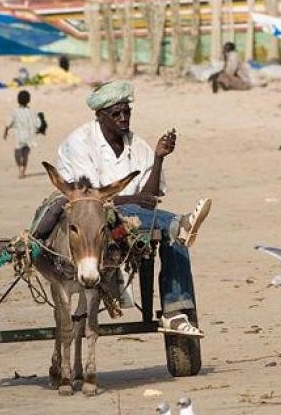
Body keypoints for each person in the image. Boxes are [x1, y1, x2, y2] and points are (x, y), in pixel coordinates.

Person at [45, 81, 212, 337]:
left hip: (129, 220)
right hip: (89, 219)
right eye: (116, 114)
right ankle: (180, 223)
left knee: (175, 236)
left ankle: (175, 312)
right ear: (100, 116)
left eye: (127, 112)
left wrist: (158, 158)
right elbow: (90, 199)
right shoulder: (80, 142)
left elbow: (152, 195)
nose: (123, 118)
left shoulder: (137, 144)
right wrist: (132, 200)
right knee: (172, 226)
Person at [4, 90, 43, 179]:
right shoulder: (32, 112)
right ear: (29, 100)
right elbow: (38, 123)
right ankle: (23, 170)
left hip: (19, 136)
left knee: (17, 153)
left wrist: (5, 132)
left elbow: (9, 123)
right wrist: (37, 130)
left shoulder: (15, 112)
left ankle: (20, 168)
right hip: (29, 136)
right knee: (25, 154)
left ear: (18, 100)